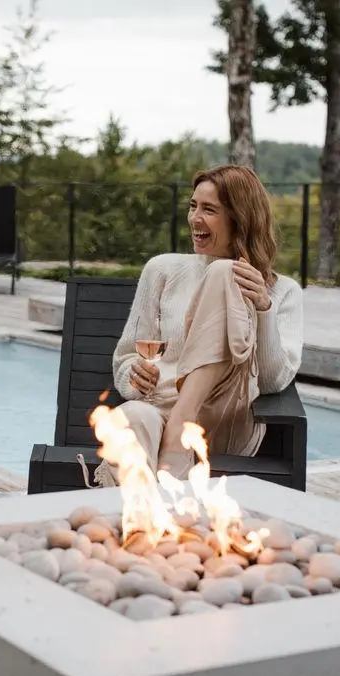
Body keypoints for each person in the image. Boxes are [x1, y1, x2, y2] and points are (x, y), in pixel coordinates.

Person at [99, 164, 303, 484]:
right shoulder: (162, 270)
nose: (195, 218)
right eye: (193, 206)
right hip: (158, 408)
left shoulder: (282, 291)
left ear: (240, 218)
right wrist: (133, 374)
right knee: (129, 419)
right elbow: (126, 358)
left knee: (223, 272)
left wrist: (264, 309)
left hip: (223, 420)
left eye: (209, 209)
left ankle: (183, 421)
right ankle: (143, 526)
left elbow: (274, 381)